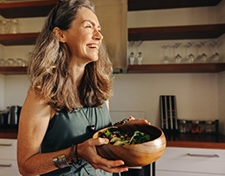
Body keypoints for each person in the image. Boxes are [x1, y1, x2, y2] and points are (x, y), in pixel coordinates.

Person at [17, 0, 149, 175]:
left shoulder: (100, 87)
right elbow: (26, 166)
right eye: (88, 27)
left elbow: (99, 139)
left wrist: (124, 129)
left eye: (99, 29)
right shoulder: (42, 92)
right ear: (60, 34)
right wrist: (76, 152)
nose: (99, 36)